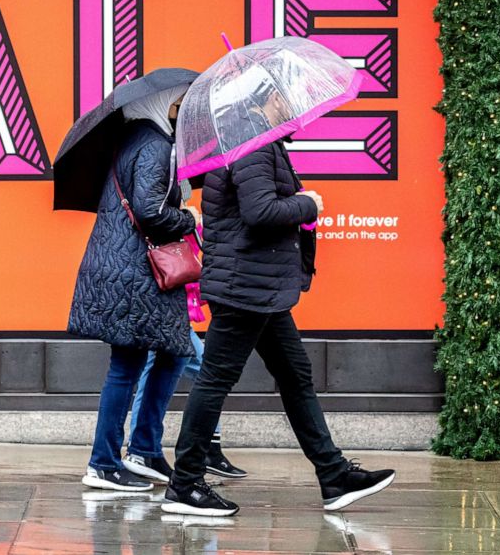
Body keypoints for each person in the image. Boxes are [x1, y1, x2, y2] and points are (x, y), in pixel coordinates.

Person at [162, 140, 395, 516]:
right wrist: (308, 203)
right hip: (246, 288)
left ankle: (333, 475)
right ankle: (185, 484)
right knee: (216, 378)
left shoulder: (251, 144)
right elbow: (259, 211)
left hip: (260, 287)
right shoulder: (252, 146)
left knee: (295, 375)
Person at [69, 85, 199, 492]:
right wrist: (188, 217)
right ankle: (104, 463)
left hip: (128, 270)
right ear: (161, 103)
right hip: (137, 275)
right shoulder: (155, 144)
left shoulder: (135, 140)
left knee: (173, 353)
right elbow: (149, 211)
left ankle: (143, 449)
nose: (181, 112)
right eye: (178, 104)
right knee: (126, 367)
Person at [126, 327, 247, 481]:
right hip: (166, 315)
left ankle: (142, 450)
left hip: (172, 316)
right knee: (201, 371)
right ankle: (141, 451)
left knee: (203, 371)